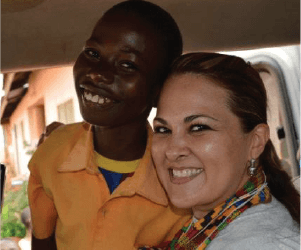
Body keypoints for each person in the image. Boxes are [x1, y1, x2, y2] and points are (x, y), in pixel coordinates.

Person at [28, 1, 190, 250]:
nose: (97, 74)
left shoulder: (181, 179)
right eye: (93, 53)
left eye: (127, 65)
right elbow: (43, 241)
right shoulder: (52, 153)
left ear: (159, 91)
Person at [145, 52, 301, 249]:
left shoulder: (260, 243)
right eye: (163, 129)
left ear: (255, 142)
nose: (172, 151)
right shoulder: (205, 226)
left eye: (199, 127)